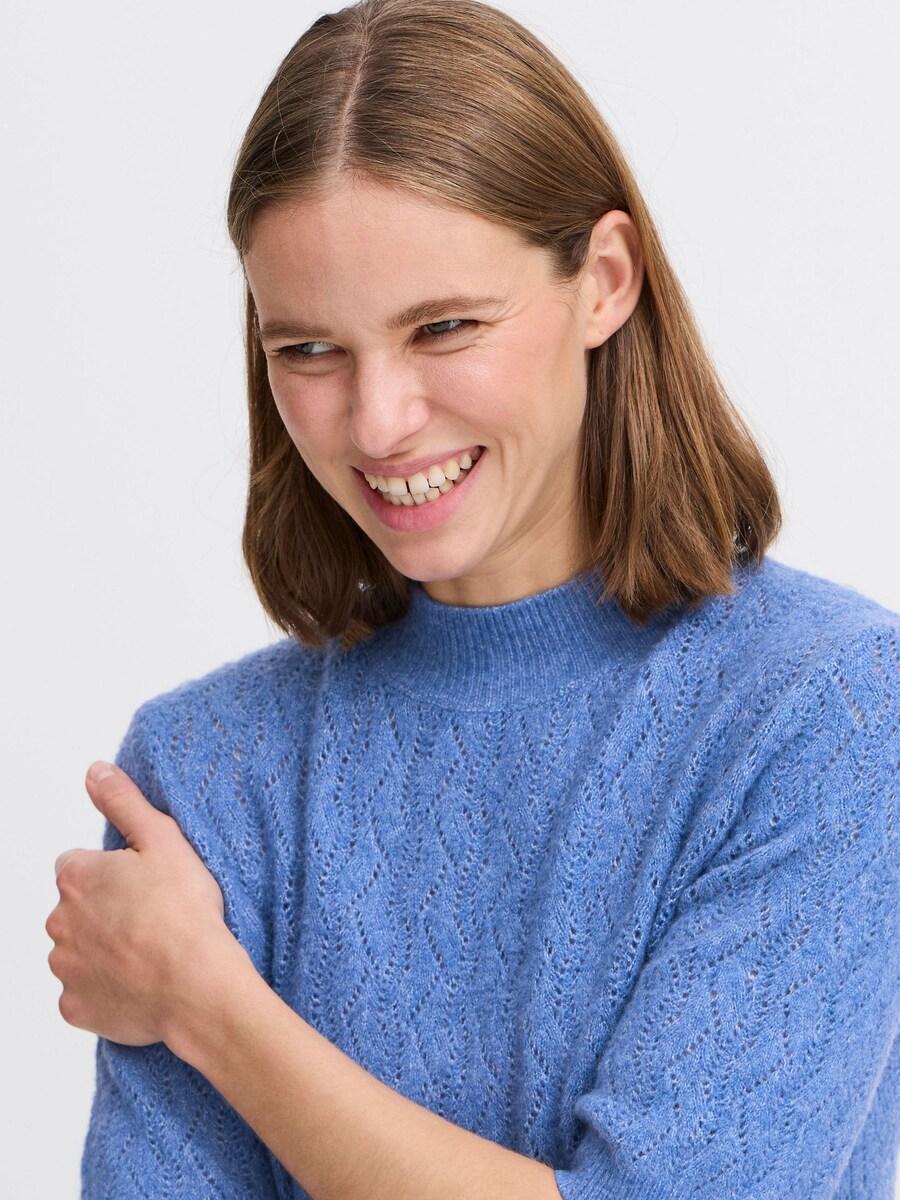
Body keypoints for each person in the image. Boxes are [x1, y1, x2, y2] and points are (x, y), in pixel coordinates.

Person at [47, 0, 899, 1197]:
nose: (378, 422)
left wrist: (210, 1006)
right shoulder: (202, 771)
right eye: (309, 350)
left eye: (443, 327)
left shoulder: (825, 714)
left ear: (605, 281)